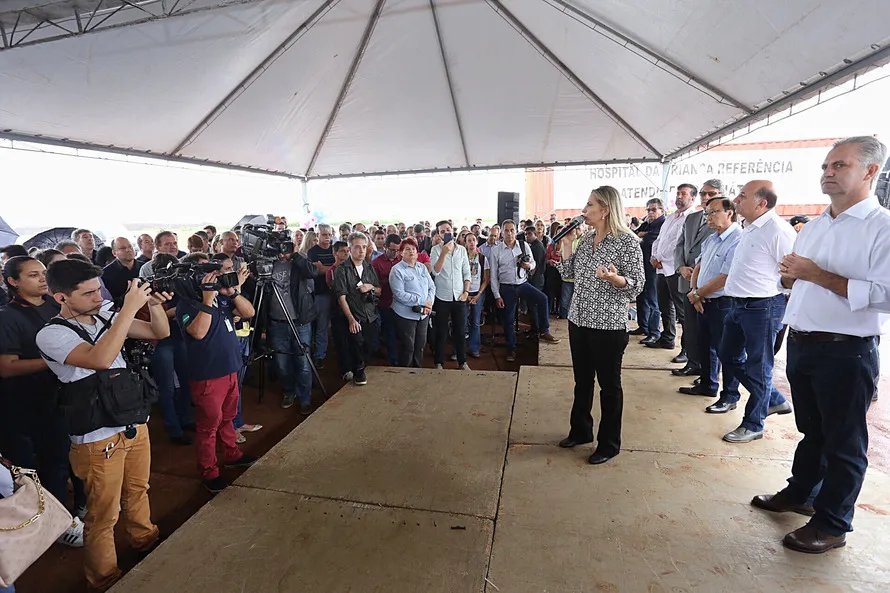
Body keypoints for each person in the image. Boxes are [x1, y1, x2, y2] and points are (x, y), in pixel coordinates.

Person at [753, 137, 889, 554]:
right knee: (812, 431)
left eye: (839, 165)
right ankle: (801, 494)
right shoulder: (813, 226)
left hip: (846, 350)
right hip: (804, 343)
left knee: (845, 442)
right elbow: (796, 279)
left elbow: (886, 294)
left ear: (870, 171)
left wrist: (815, 275)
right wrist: (792, 278)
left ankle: (832, 524)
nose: (827, 172)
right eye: (826, 165)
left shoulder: (881, 227)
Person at [35, 259, 171, 592]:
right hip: (96, 438)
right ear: (61, 298)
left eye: (99, 289)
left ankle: (144, 539)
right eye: (89, 293)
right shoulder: (51, 334)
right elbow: (99, 359)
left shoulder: (105, 315)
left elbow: (159, 332)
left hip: (132, 422)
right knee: (103, 515)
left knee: (139, 491)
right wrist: (127, 310)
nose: (99, 297)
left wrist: (151, 306)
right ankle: (104, 577)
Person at [553, 186, 644, 465]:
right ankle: (581, 431)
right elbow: (568, 274)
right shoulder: (588, 237)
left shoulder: (627, 242)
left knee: (609, 386)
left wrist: (616, 279)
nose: (584, 210)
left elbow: (637, 285)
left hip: (608, 326)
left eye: (590, 205)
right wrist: (567, 244)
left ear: (605, 210)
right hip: (579, 320)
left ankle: (609, 444)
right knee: (582, 381)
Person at [0, 257, 84, 548]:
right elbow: (7, 366)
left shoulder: (53, 306)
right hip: (26, 404)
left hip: (62, 396)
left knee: (67, 458)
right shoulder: (8, 317)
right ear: (13, 282)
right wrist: (54, 359)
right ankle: (57, 525)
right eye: (33, 275)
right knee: (42, 467)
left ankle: (74, 510)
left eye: (44, 273)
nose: (42, 279)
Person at [718, 180, 796, 443]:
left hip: (762, 307)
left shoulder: (778, 231)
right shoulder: (750, 228)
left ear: (762, 203)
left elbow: (792, 275)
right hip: (738, 305)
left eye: (743, 196)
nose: (736, 200)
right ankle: (772, 399)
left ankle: (754, 423)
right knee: (727, 354)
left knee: (759, 367)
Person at [176, 256, 257, 494]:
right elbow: (198, 333)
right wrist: (207, 299)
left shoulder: (223, 296)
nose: (220, 275)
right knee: (209, 426)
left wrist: (232, 292)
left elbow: (248, 312)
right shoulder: (188, 303)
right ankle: (209, 472)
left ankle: (232, 454)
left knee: (228, 417)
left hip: (230, 368)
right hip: (208, 375)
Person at [682, 197, 743, 409]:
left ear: (730, 213)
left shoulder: (737, 239)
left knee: (727, 351)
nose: (708, 217)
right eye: (707, 213)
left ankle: (730, 396)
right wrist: (694, 291)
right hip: (703, 300)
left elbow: (726, 276)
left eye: (714, 212)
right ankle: (708, 384)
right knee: (705, 345)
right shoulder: (712, 238)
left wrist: (698, 293)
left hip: (723, 303)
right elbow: (698, 266)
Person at [490, 220, 560, 363]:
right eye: (506, 231)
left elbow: (533, 263)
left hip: (522, 283)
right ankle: (511, 348)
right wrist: (497, 295)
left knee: (542, 299)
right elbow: (493, 275)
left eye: (512, 230)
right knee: (509, 320)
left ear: (516, 231)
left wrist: (528, 265)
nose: (509, 233)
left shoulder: (524, 245)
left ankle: (544, 330)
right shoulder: (496, 250)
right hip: (506, 287)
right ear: (502, 233)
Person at [261, 242, 317, 414]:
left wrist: (295, 255)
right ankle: (288, 392)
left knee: (303, 363)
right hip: (277, 322)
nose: (282, 250)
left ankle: (305, 398)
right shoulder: (268, 264)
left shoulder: (299, 262)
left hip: (299, 321)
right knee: (282, 363)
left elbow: (312, 272)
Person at [673, 180, 721, 376]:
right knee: (690, 327)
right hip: (686, 280)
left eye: (711, 194)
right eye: (703, 194)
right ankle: (693, 363)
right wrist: (680, 267)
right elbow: (680, 245)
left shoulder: (723, 220)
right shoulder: (691, 218)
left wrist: (697, 273)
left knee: (709, 333)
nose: (706, 197)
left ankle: (709, 374)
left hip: (708, 286)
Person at [647, 184, 696, 357]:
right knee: (665, 306)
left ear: (692, 198)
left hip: (676, 269)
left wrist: (663, 259)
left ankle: (687, 349)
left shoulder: (692, 217)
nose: (679, 197)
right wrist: (654, 257)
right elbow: (660, 239)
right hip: (661, 268)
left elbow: (679, 244)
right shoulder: (671, 217)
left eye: (684, 194)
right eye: (678, 193)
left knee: (682, 312)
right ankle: (667, 338)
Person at [331, 232, 381, 386]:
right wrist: (351, 319)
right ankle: (358, 371)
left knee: (371, 345)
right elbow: (341, 297)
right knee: (355, 344)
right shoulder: (342, 270)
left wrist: (371, 286)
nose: (361, 250)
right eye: (357, 247)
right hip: (354, 314)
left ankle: (362, 365)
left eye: (364, 247)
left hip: (371, 314)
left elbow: (379, 290)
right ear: (350, 248)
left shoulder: (369, 267)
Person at [429, 220, 472, 370]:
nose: (446, 232)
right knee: (441, 331)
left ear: (452, 231)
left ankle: (462, 361)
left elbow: (466, 272)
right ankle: (439, 362)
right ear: (439, 235)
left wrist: (466, 291)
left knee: (460, 330)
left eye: (448, 229)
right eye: (442, 231)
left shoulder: (461, 249)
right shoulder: (435, 250)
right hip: (442, 296)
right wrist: (444, 252)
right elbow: (435, 271)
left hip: (459, 296)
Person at [389, 238, 436, 368]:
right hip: (405, 315)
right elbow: (399, 294)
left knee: (420, 345)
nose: (411, 252)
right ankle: (405, 374)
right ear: (401, 253)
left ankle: (417, 372)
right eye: (407, 249)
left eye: (414, 249)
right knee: (408, 347)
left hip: (423, 314)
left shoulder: (422, 267)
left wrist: (429, 303)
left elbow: (432, 287)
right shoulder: (397, 270)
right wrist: (422, 301)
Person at [632, 198, 665, 342]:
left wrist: (640, 236)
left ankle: (654, 332)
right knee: (641, 297)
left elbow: (649, 240)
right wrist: (639, 235)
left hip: (653, 268)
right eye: (648, 210)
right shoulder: (647, 224)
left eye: (653, 209)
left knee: (653, 300)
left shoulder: (662, 224)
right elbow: (633, 236)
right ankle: (643, 327)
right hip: (642, 266)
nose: (650, 212)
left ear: (661, 210)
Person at [307, 224, 336, 370]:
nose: (327, 237)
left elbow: (341, 269)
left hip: (337, 293)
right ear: (317, 236)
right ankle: (320, 355)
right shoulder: (312, 252)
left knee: (339, 325)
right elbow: (315, 271)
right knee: (322, 326)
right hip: (321, 293)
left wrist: (325, 269)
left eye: (329, 234)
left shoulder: (334, 249)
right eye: (324, 235)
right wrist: (333, 268)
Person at [372, 233, 403, 366]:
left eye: (397, 250)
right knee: (389, 332)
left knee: (402, 332)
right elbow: (373, 284)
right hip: (386, 303)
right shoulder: (376, 263)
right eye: (392, 250)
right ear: (385, 247)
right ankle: (393, 359)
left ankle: (403, 357)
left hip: (402, 303)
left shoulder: (403, 260)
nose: (395, 253)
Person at [465, 233, 489, 358]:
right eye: (469, 240)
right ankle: (457, 350)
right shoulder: (462, 257)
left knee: (475, 321)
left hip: (477, 293)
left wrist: (478, 294)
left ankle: (474, 348)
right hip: (464, 293)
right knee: (462, 321)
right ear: (465, 243)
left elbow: (486, 279)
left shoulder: (482, 258)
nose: (472, 242)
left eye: (473, 240)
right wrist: (465, 293)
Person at [101, 237, 140, 303]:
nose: (128, 250)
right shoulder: (106, 274)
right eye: (122, 248)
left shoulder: (145, 267)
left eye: (130, 246)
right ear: (114, 253)